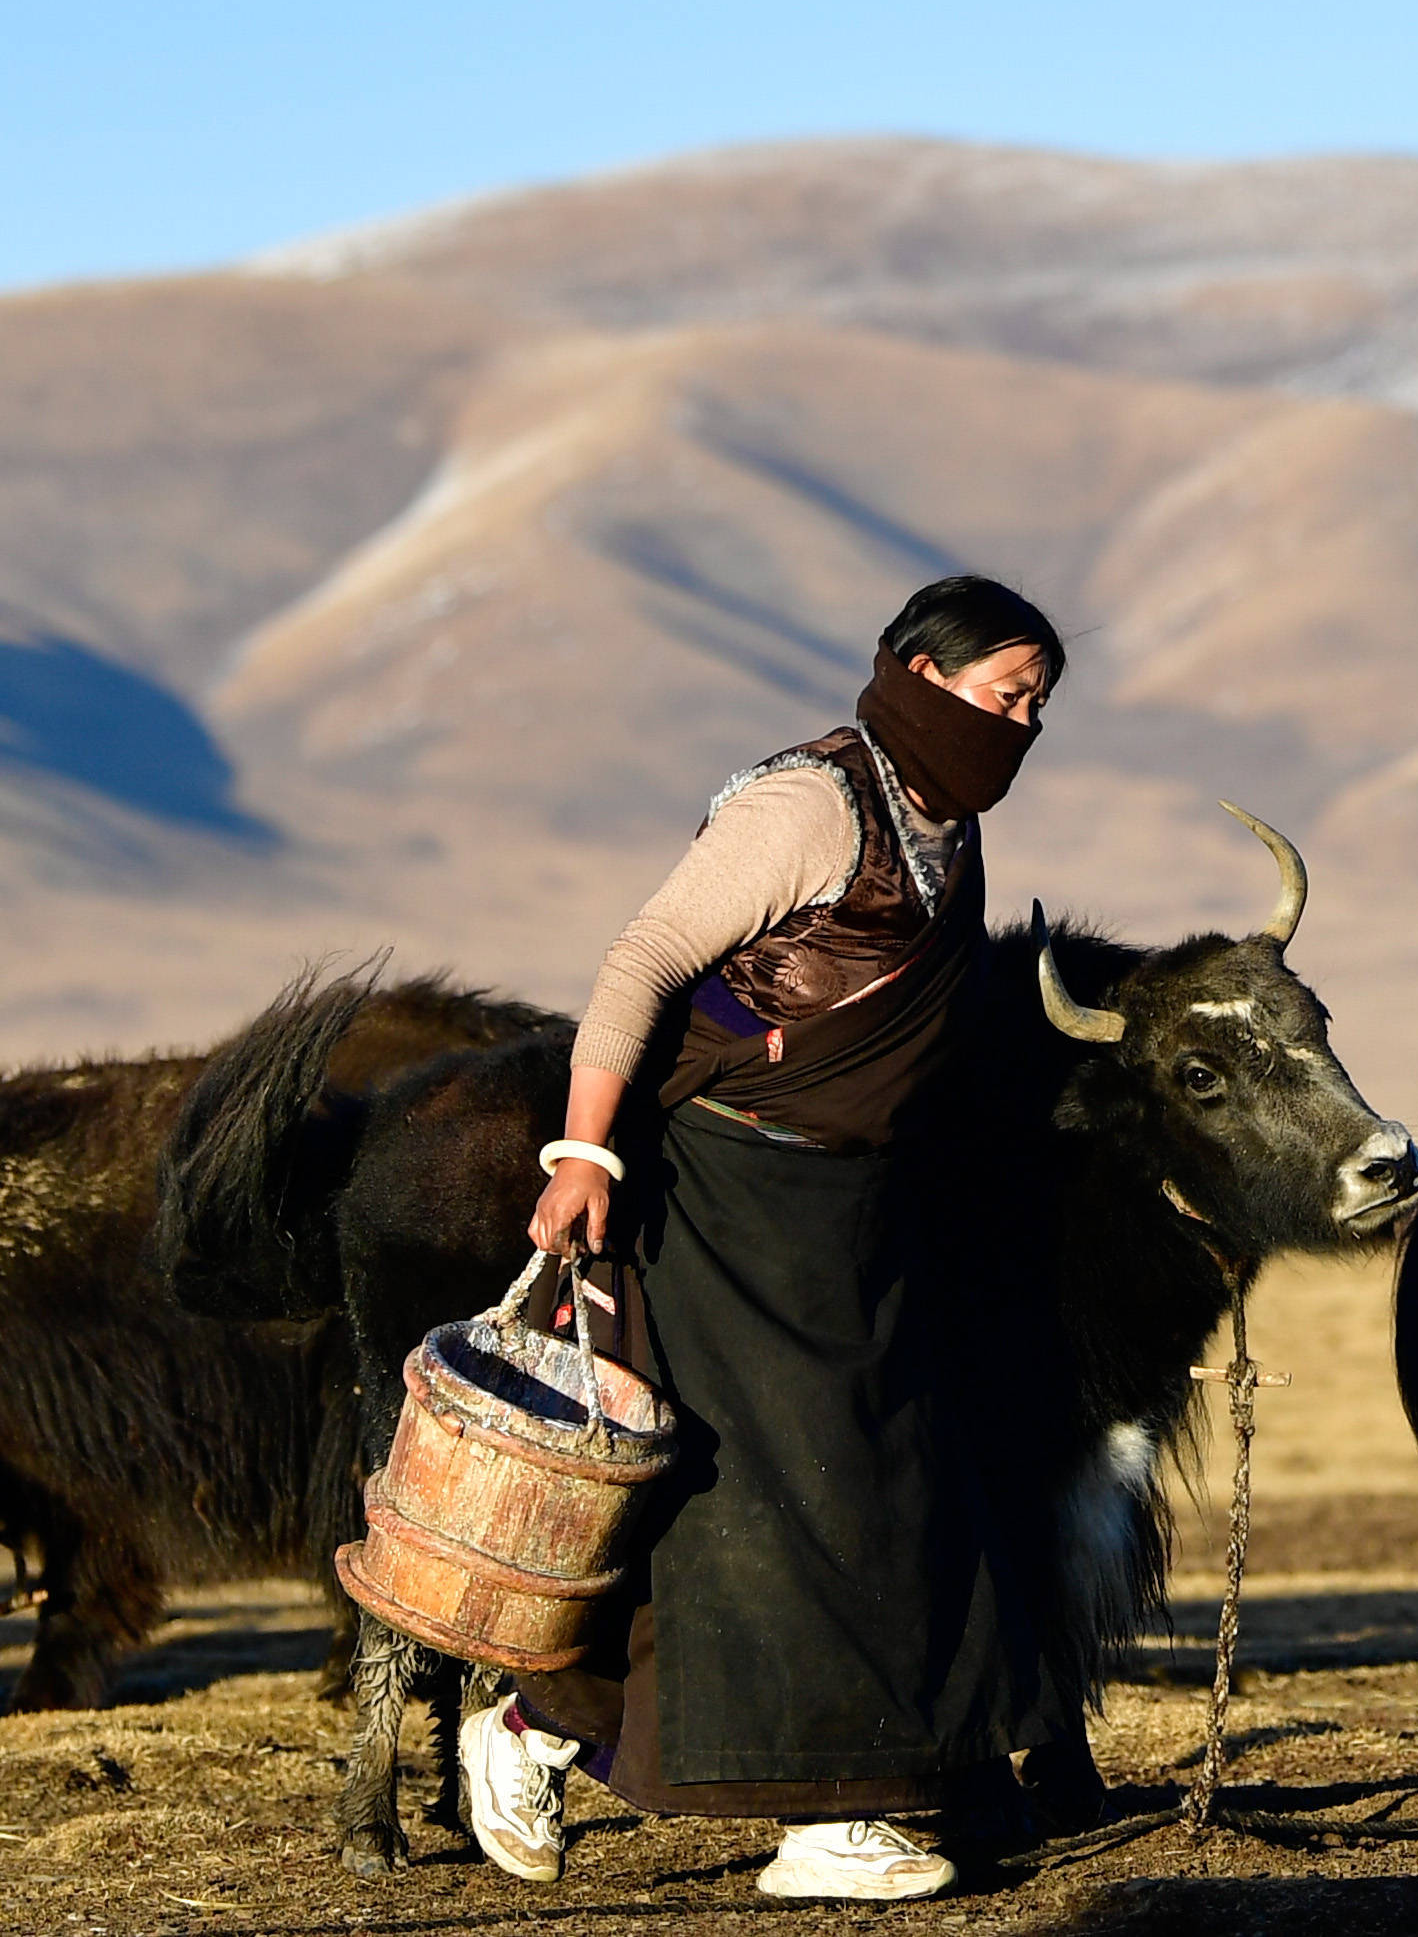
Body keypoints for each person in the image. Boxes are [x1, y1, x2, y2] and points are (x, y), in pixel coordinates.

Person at [459, 573, 1067, 1902]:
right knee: (788, 1491)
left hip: (854, 1207)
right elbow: (645, 958)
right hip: (725, 1191)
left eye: (1038, 703)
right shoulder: (809, 805)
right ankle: (819, 1819)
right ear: (919, 673)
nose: (1024, 722)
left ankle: (908, 1769)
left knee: (893, 1478)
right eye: (1006, 692)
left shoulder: (940, 824)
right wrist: (581, 1149)